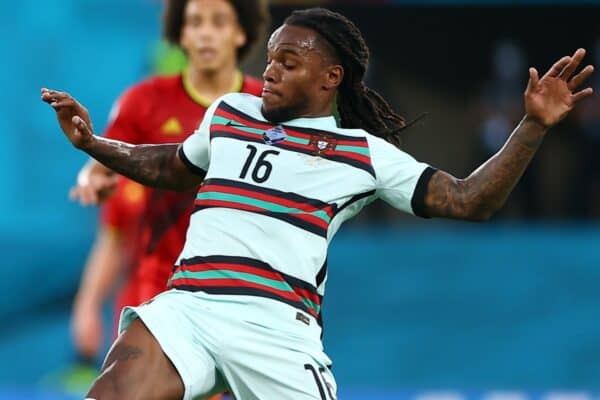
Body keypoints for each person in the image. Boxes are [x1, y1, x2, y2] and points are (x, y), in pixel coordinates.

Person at [42, 7, 594, 400]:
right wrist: (95, 144)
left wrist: (531, 126)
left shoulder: (364, 154)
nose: (272, 68)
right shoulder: (231, 112)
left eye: (289, 60)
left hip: (276, 329)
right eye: (272, 56)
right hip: (189, 307)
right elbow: (172, 167)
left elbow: (470, 200)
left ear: (331, 78)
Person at [69, 0, 268, 370]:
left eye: (219, 22)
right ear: (181, 34)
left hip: (244, 299)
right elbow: (100, 174)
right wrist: (93, 181)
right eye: (195, 22)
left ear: (240, 33)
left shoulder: (268, 108)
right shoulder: (142, 103)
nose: (206, 32)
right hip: (157, 295)